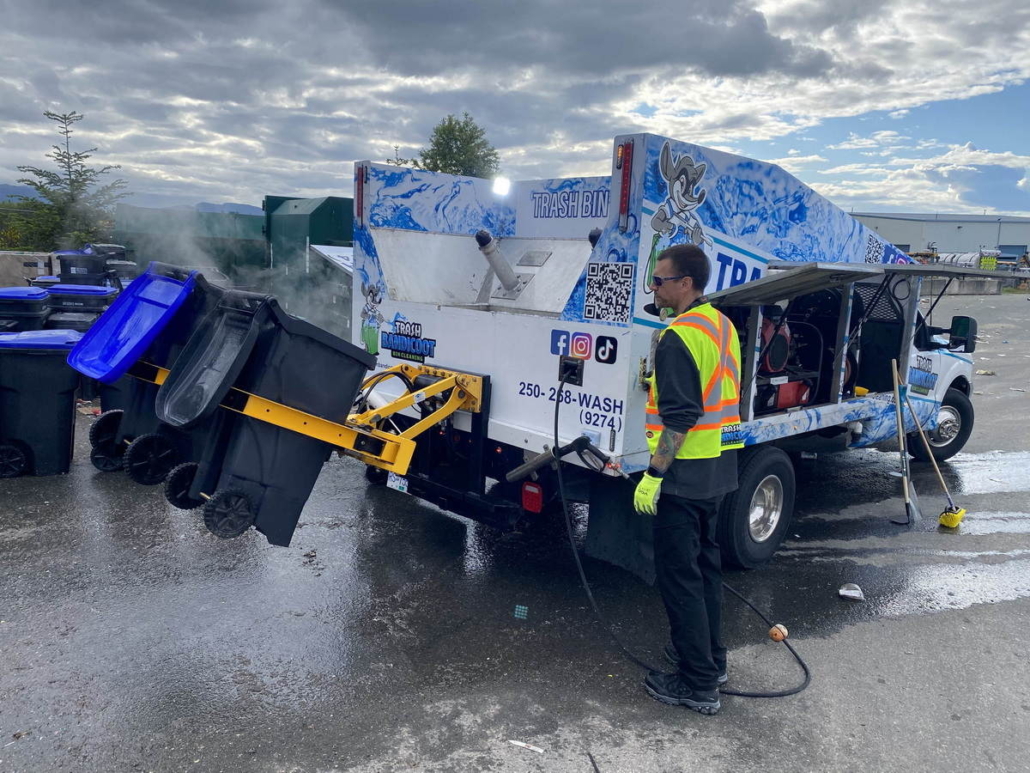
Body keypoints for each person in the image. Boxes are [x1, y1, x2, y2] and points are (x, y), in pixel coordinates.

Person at [633, 243, 743, 715]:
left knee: (680, 579)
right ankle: (711, 661)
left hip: (684, 477)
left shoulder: (678, 336)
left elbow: (680, 416)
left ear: (685, 283)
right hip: (718, 468)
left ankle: (697, 685)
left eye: (659, 281)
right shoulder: (722, 325)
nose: (653, 289)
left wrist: (654, 474)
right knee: (705, 571)